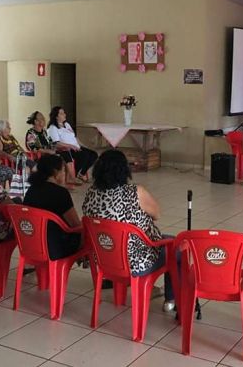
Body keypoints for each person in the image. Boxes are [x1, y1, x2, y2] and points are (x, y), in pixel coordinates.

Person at [82, 149, 174, 311]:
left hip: (105, 257)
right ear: (124, 170)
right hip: (135, 261)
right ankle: (171, 299)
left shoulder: (91, 192)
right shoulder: (135, 192)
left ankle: (149, 288)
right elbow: (157, 214)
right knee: (175, 247)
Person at [22, 154, 82, 260]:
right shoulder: (60, 193)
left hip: (31, 244)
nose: (64, 175)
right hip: (54, 248)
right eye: (63, 171)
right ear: (55, 172)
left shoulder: (32, 189)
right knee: (86, 233)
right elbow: (75, 225)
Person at [47, 106, 98, 184]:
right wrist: (71, 146)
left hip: (75, 146)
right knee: (84, 155)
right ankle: (74, 175)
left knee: (93, 154)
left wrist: (83, 146)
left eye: (64, 113)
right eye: (62, 113)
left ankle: (82, 173)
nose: (65, 114)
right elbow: (56, 143)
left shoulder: (67, 124)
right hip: (66, 148)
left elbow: (74, 137)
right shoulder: (53, 128)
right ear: (56, 116)